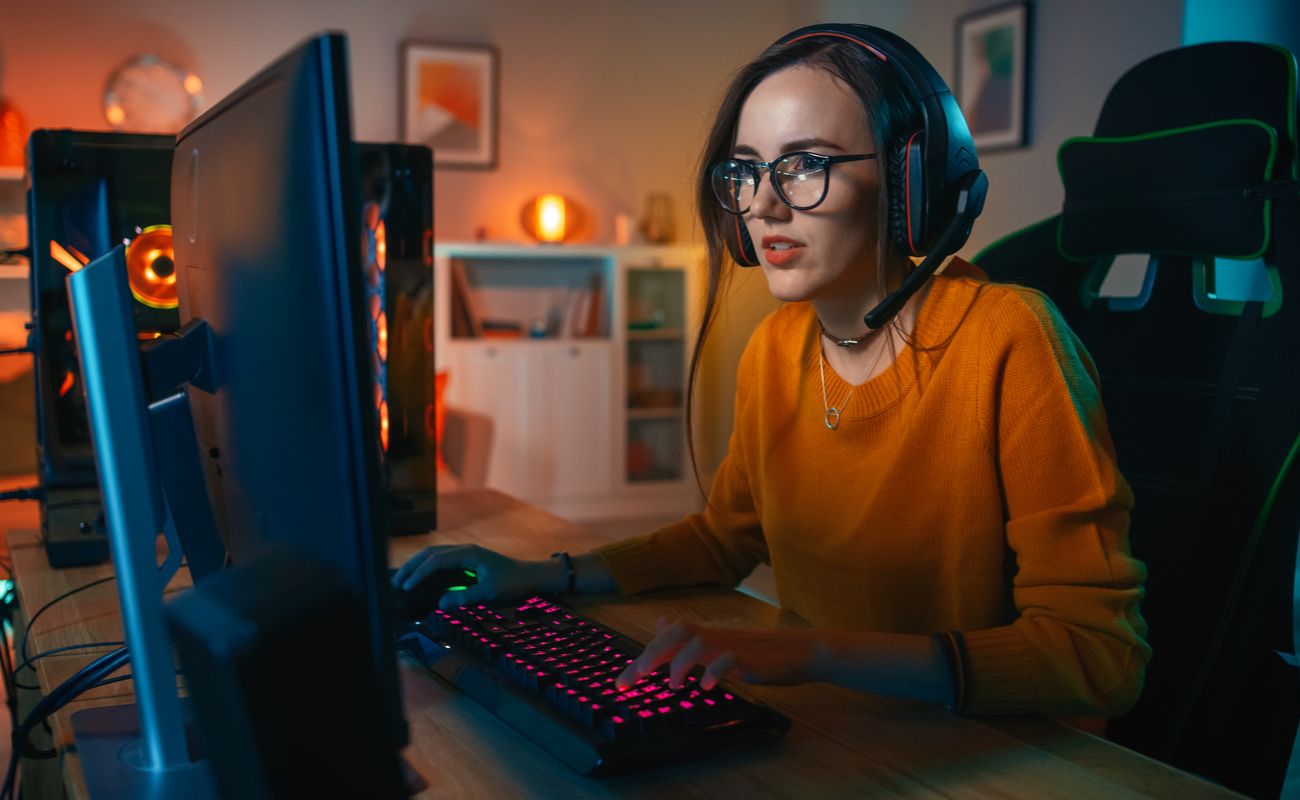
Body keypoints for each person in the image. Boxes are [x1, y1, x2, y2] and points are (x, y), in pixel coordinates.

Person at [394, 24, 1149, 718]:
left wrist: (814, 652)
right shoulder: (777, 347)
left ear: (909, 182)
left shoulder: (1009, 339)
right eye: (748, 172)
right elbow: (724, 541)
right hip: (842, 729)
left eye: (806, 165)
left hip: (992, 756)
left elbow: (1099, 656)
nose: (762, 206)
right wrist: (545, 575)